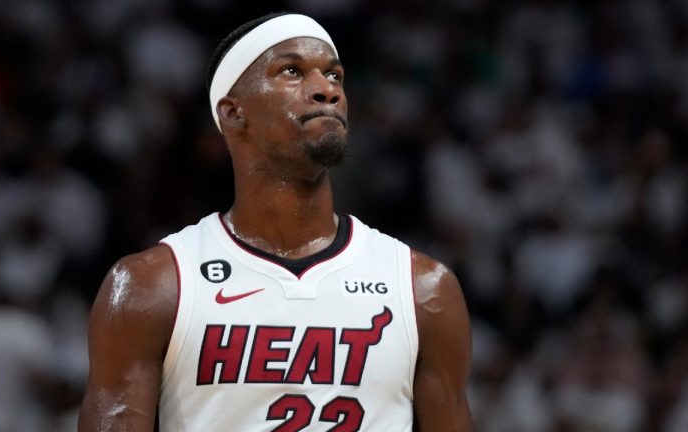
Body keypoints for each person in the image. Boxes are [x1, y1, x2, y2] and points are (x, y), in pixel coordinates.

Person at [79, 12, 472, 431]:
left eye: (335, 76)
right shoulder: (153, 285)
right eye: (292, 72)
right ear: (233, 113)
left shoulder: (423, 289)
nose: (326, 90)